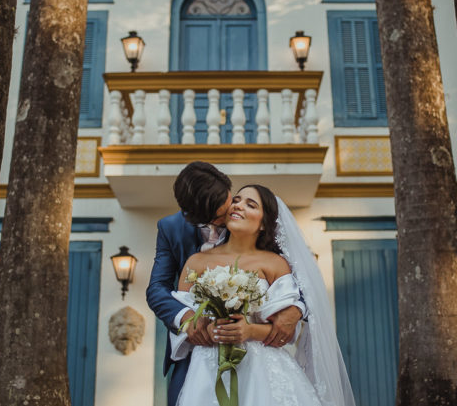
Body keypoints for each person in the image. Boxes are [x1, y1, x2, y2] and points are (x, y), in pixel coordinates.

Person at [169, 184, 356, 406]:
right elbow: (181, 317)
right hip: (206, 366)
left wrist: (249, 330)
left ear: (263, 223)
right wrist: (204, 328)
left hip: (261, 369)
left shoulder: (274, 264)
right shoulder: (196, 262)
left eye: (251, 204)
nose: (238, 206)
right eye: (236, 200)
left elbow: (285, 330)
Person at [146, 162, 304, 406]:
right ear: (197, 216)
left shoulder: (260, 239)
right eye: (223, 213)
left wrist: (296, 309)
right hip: (199, 358)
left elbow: (301, 276)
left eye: (233, 200)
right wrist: (190, 319)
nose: (234, 209)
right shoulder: (174, 233)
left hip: (260, 362)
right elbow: (157, 290)